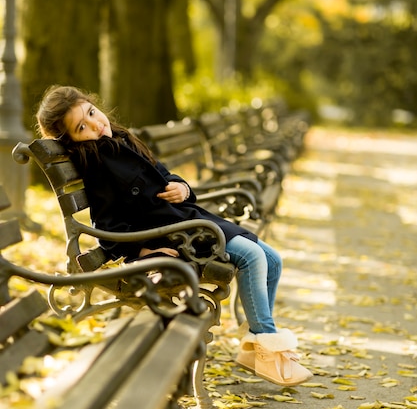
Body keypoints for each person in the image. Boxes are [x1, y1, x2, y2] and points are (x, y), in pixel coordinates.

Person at [36, 84, 312, 387]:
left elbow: (164, 175)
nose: (94, 124)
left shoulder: (121, 139)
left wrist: (183, 188)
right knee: (253, 256)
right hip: (177, 235)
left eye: (91, 112)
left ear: (94, 104)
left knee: (272, 260)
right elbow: (107, 225)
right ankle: (268, 350)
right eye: (81, 128)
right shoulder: (97, 163)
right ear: (71, 140)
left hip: (186, 221)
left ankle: (253, 349)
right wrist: (143, 251)